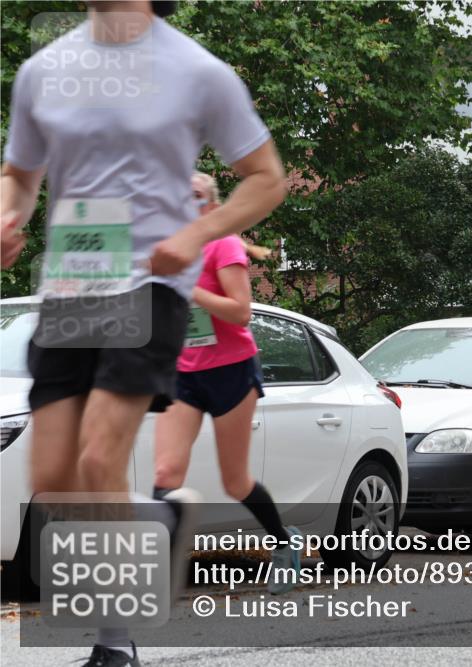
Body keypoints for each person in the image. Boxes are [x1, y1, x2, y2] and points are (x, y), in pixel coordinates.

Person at [0, 2, 286, 665]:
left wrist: (195, 234)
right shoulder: (45, 70)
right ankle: (157, 519)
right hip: (72, 281)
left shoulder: (195, 71)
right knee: (52, 477)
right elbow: (20, 171)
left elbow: (265, 177)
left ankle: (114, 641)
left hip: (152, 283)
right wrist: (9, 215)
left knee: (101, 457)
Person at [153, 172, 301, 595]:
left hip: (231, 369)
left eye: (195, 197)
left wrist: (190, 291)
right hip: (183, 372)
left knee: (234, 481)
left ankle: (283, 542)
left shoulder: (225, 244)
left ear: (212, 209)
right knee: (166, 471)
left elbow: (240, 312)